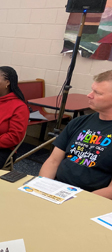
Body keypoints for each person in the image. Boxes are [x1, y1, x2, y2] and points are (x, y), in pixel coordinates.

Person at [39, 70, 112, 199]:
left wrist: (75, 200)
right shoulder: (79, 122)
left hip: (91, 199)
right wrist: (42, 187)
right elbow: (53, 161)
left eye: (97, 93)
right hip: (56, 189)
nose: (89, 95)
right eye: (92, 90)